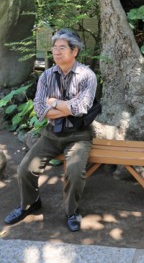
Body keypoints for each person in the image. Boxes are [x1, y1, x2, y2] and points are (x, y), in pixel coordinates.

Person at [4, 28, 97, 232]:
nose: (56, 52)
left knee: (74, 172)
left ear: (75, 51)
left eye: (62, 48)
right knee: (25, 169)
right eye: (54, 48)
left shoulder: (86, 75)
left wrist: (53, 103)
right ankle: (30, 203)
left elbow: (81, 108)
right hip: (51, 134)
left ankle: (72, 211)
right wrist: (64, 107)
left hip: (78, 136)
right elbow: (39, 109)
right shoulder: (46, 75)